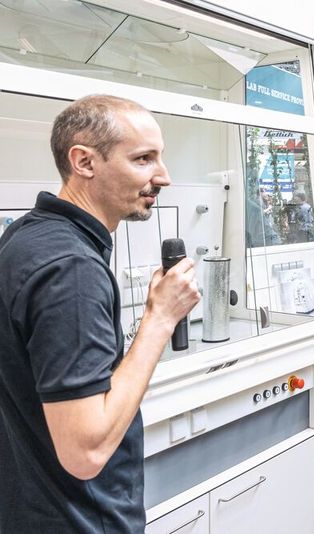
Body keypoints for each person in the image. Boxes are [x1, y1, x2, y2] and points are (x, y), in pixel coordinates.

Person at [0, 95, 200, 531]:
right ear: (84, 162)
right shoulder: (71, 267)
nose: (162, 176)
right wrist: (160, 318)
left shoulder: (25, 236)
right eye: (144, 159)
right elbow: (85, 453)